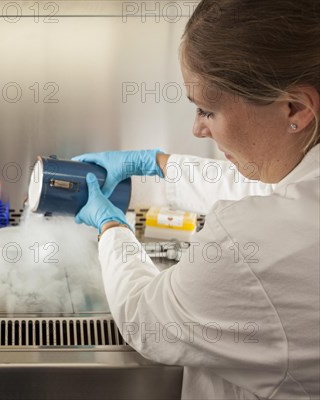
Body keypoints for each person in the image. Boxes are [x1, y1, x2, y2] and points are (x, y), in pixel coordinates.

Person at [73, 0, 320, 398]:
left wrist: (111, 227)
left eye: (208, 110)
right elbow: (270, 190)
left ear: (295, 107)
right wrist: (156, 164)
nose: (197, 129)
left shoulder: (254, 246)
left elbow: (146, 319)